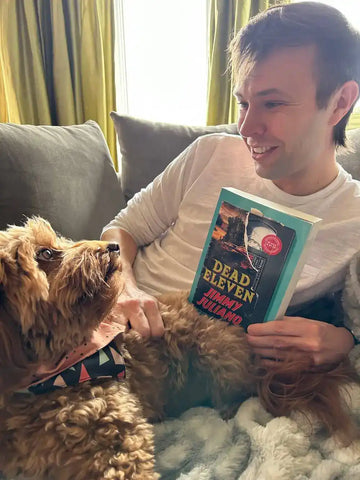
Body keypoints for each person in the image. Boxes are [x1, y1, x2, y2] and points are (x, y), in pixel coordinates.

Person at [101, 1, 360, 367]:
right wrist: (122, 288)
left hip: (194, 367)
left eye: (272, 104)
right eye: (243, 103)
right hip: (110, 324)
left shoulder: (355, 220)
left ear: (340, 102)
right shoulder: (211, 153)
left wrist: (343, 342)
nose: (246, 127)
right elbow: (121, 229)